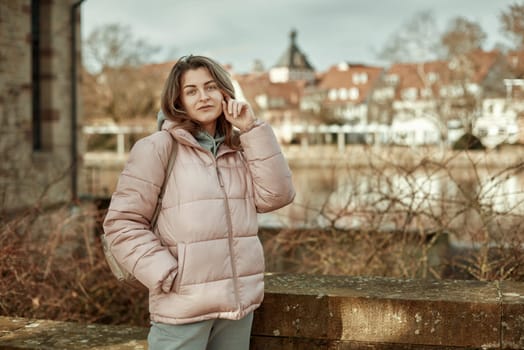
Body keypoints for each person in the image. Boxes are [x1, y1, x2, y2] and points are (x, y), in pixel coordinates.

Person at [102, 55, 295, 350]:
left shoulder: (239, 149)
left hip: (236, 309)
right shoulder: (157, 148)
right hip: (183, 310)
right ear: (178, 100)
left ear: (225, 93)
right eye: (191, 91)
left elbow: (277, 196)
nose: (203, 97)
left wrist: (252, 128)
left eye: (210, 87)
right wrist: (165, 273)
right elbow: (122, 223)